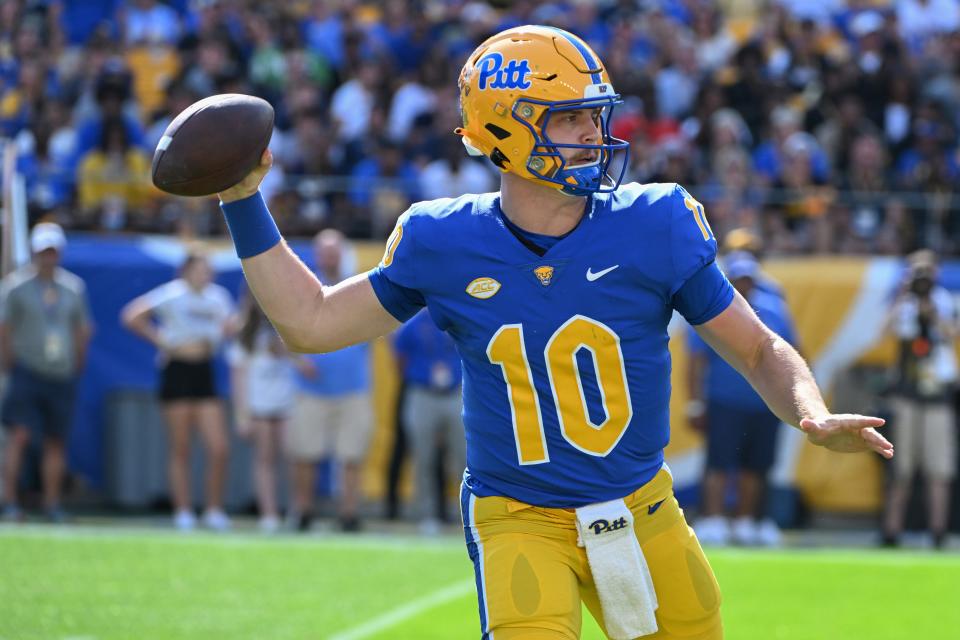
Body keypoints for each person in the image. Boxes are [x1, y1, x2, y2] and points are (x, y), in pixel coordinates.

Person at [216, 26, 893, 639]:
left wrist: (811, 412)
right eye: (569, 118)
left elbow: (756, 347)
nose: (594, 135)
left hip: (642, 507)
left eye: (593, 115)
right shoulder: (441, 239)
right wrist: (243, 200)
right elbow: (310, 323)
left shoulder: (653, 222)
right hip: (519, 516)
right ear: (507, 129)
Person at [687, 253, 799, 547]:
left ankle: (745, 520)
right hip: (724, 399)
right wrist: (695, 401)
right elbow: (696, 361)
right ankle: (713, 519)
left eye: (748, 279)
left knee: (756, 465)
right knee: (719, 464)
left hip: (764, 402)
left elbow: (790, 352)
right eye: (738, 280)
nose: (743, 285)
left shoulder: (773, 309)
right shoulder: (712, 309)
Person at [121, 252, 234, 531]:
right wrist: (163, 341)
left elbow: (229, 328)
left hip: (204, 371)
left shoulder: (218, 298)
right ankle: (183, 511)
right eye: (199, 269)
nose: (205, 274)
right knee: (181, 447)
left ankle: (213, 510)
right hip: (177, 372)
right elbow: (132, 316)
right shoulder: (171, 295)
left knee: (219, 447)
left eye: (208, 269)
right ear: (186, 271)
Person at [1, 223, 92, 522]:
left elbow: (82, 329)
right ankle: (10, 502)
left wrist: (77, 361)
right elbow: (4, 329)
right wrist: (8, 363)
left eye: (52, 251)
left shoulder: (73, 287)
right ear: (33, 253)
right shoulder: (16, 287)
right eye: (43, 252)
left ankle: (51, 504)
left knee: (56, 440)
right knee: (20, 435)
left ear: (60, 253)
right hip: (27, 369)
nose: (48, 257)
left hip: (61, 372)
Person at [284, 229, 372, 532]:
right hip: (311, 389)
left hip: (352, 387)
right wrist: (297, 359)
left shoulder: (360, 285)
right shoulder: (304, 285)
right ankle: (303, 511)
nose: (330, 256)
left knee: (351, 455)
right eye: (325, 251)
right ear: (317, 254)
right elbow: (279, 331)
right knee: (305, 453)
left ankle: (349, 514)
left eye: (335, 250)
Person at [881, 250, 957, 549]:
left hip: (937, 391)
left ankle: (938, 531)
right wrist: (903, 298)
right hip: (907, 391)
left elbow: (952, 333)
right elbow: (885, 331)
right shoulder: (903, 303)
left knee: (939, 466)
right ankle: (892, 530)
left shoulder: (943, 300)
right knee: (901, 465)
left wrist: (932, 314)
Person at [392, 309, 465, 535]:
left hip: (455, 392)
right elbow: (399, 358)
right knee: (423, 456)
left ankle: (468, 512)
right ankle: (427, 514)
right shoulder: (412, 323)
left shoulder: (457, 317)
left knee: (464, 457)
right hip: (422, 392)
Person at [229, 293, 296, 533]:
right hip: (259, 406)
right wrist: (242, 415)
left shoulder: (287, 327)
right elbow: (238, 376)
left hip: (287, 403)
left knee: (293, 456)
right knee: (265, 459)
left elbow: (301, 361)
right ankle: (269, 514)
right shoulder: (244, 334)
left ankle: (296, 511)